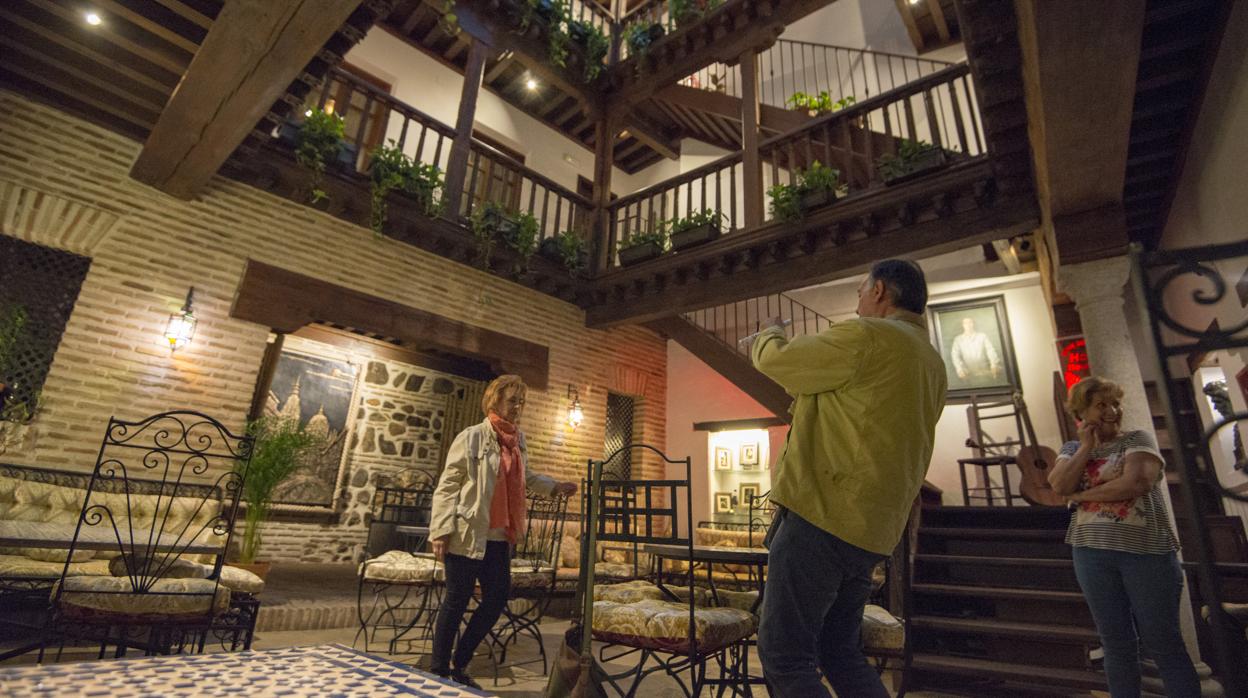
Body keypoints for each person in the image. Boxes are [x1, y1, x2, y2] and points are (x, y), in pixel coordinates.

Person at [749, 258, 947, 697]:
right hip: (873, 531)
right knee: (839, 651)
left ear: (879, 290)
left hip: (823, 516)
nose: (857, 303)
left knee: (786, 656)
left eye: (860, 291)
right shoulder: (932, 363)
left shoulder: (866, 335)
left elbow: (777, 360)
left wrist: (770, 331)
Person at [1048, 376, 1199, 697]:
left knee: (1164, 642)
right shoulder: (1073, 448)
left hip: (1145, 552)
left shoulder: (1137, 439)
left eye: (1115, 403)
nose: (1112, 410)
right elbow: (1058, 485)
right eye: (1101, 405)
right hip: (1090, 553)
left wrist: (1079, 497)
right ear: (1082, 412)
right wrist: (1087, 448)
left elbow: (1136, 483)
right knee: (1115, 643)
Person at [427, 375, 577, 689]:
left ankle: (460, 661)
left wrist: (554, 487)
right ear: (495, 400)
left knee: (496, 598)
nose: (518, 406)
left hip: (498, 538)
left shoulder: (517, 440)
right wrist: (440, 530)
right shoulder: (471, 437)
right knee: (456, 600)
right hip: (467, 534)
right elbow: (447, 487)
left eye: (522, 401)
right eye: (512, 400)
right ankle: (439, 670)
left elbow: (527, 477)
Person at [950, 316, 1002, 384]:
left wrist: (994, 365)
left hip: (985, 371)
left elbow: (990, 350)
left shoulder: (982, 336)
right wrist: (959, 369)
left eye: (970, 322)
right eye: (965, 323)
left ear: (973, 324)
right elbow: (955, 355)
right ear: (963, 325)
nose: (968, 325)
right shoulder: (958, 339)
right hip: (968, 373)